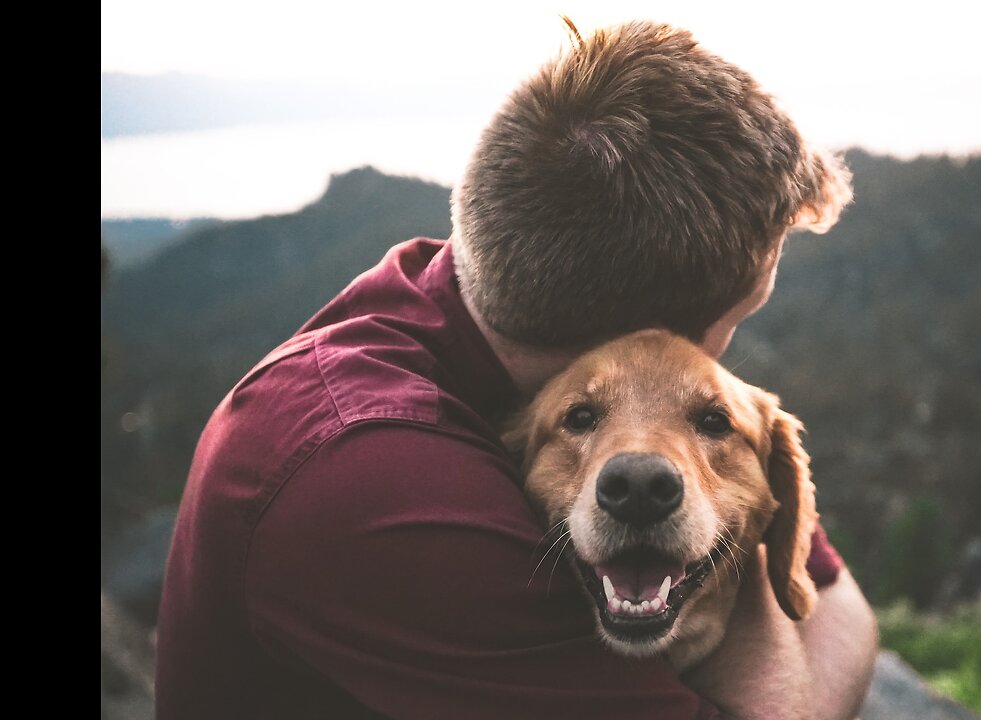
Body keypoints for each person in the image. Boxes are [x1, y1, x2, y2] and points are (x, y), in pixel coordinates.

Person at [156, 19, 878, 720]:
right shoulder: (376, 484)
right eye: (737, 320)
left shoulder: (469, 295)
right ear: (645, 337)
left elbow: (840, 603)